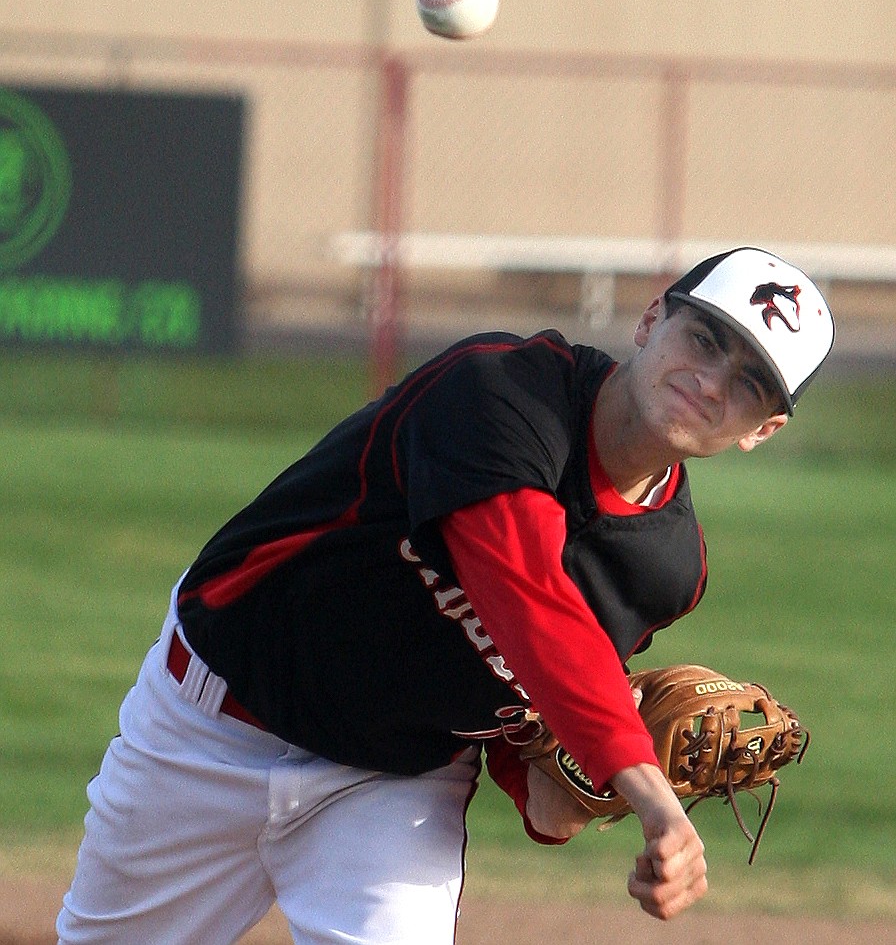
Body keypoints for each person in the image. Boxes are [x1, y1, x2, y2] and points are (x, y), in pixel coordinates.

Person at [57, 247, 835, 944]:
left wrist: (559, 800)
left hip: (391, 787)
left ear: (760, 429)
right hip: (212, 725)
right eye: (705, 338)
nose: (711, 381)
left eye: (748, 383)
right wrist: (647, 785)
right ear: (650, 318)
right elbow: (525, 593)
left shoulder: (669, 566)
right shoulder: (499, 391)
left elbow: (518, 701)